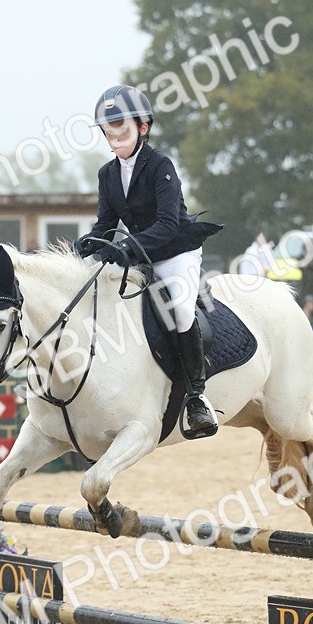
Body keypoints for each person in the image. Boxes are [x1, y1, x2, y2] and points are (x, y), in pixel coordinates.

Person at [75, 84, 223, 436]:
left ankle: (196, 398)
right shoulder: (107, 174)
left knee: (180, 310)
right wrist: (87, 245)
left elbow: (168, 224)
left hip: (176, 253)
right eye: (109, 130)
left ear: (143, 127)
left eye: (121, 127)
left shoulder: (160, 166)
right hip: (141, 255)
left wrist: (125, 250)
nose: (114, 136)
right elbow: (106, 224)